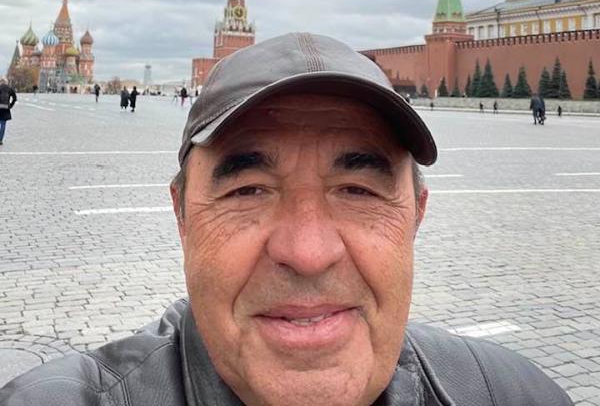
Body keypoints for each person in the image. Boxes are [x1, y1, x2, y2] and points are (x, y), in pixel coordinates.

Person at [0, 33, 573, 406]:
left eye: (358, 190)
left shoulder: (511, 394)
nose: (307, 252)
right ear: (182, 216)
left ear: (415, 217)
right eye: (248, 190)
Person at [0, 77, 17, 146]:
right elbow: (15, 98)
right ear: (6, 82)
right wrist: (11, 105)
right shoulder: (10, 89)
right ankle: (0, 140)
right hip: (6, 108)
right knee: (3, 125)